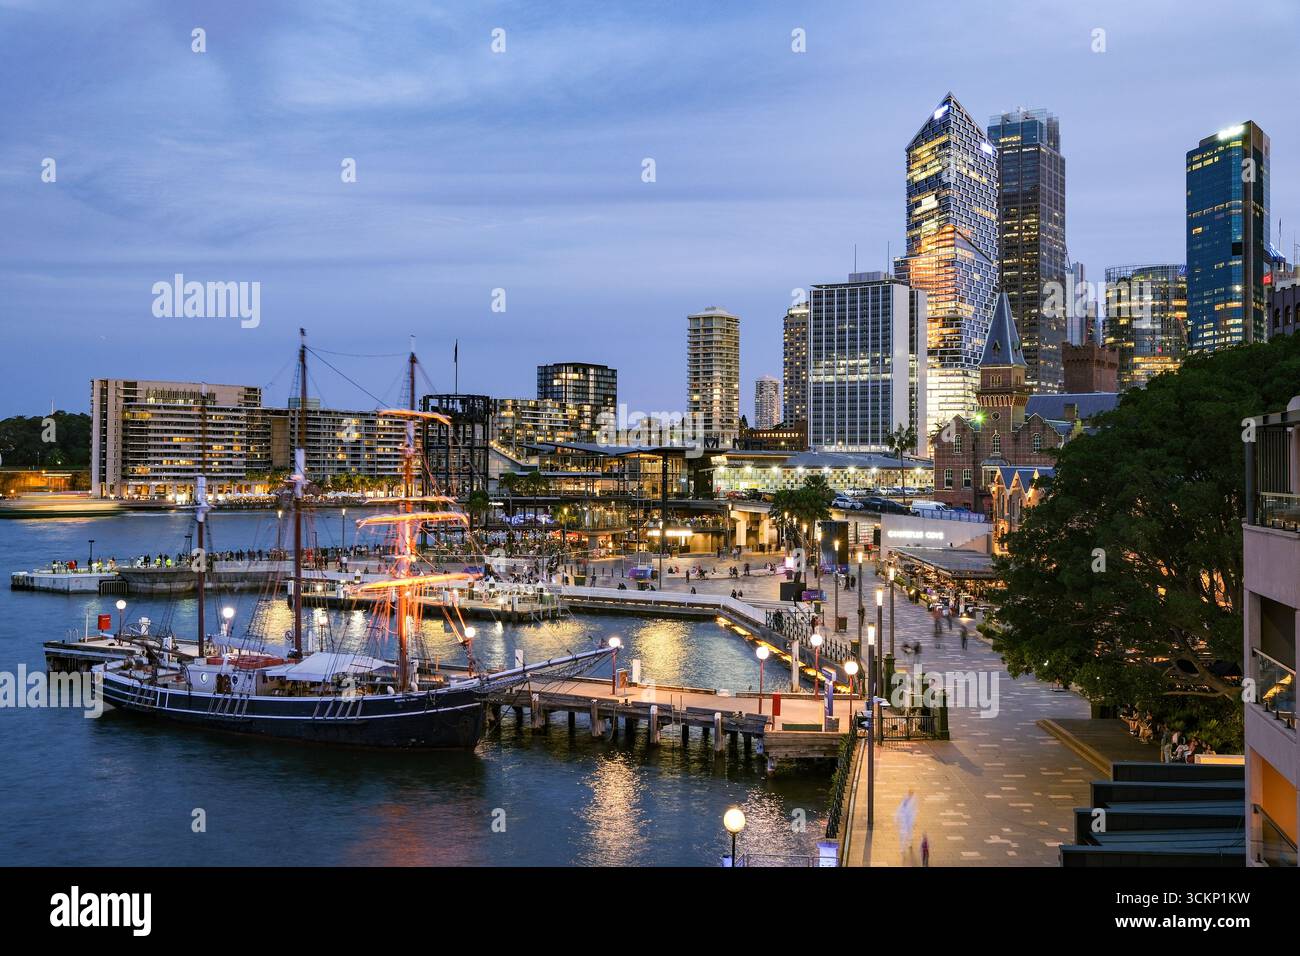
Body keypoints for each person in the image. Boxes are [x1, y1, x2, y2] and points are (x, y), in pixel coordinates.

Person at [895, 789, 918, 863]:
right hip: (904, 819)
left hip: (909, 819)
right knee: (903, 834)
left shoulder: (914, 800)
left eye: (911, 793)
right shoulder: (905, 799)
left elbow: (915, 810)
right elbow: (900, 808)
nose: (910, 794)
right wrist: (896, 817)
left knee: (910, 832)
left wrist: (913, 819)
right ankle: (903, 847)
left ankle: (910, 842)